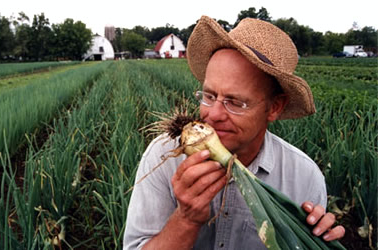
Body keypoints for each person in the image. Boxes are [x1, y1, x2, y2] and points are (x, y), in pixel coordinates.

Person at [123, 16, 345, 249]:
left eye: (236, 102)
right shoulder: (163, 155)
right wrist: (186, 219)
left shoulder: (304, 177)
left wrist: (310, 240)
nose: (214, 114)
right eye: (209, 96)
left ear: (275, 107)